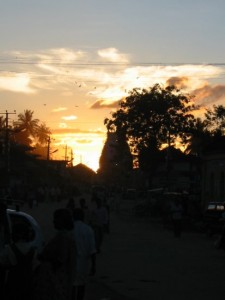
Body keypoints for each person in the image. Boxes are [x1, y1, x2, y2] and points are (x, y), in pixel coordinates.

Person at [33, 208, 77, 300]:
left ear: (62, 221)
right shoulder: (64, 236)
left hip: (56, 284)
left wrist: (44, 258)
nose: (53, 221)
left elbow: (60, 260)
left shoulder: (63, 238)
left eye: (56, 219)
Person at [0, 222, 38, 300]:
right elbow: (34, 266)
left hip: (13, 282)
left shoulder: (9, 248)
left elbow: (3, 262)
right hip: (28, 282)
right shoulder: (33, 249)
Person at [72, 208, 96, 300]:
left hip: (71, 263)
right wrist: (94, 265)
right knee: (81, 286)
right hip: (83, 264)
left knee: (72, 286)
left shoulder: (70, 229)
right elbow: (92, 250)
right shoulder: (88, 229)